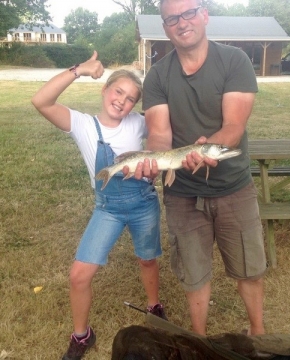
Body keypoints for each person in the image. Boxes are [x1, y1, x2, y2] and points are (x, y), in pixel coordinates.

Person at [129, 0, 267, 336]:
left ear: (204, 15)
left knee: (249, 269)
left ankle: (259, 332)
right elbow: (160, 135)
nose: (182, 22)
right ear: (165, 27)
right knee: (194, 272)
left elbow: (234, 126)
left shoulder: (234, 61)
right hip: (183, 194)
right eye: (172, 18)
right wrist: (154, 160)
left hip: (233, 187)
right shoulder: (158, 76)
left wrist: (206, 148)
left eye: (189, 13)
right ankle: (199, 339)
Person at [31, 51, 167, 360]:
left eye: (131, 98)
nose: (122, 101)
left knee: (147, 260)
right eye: (118, 91)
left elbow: (164, 134)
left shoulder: (139, 123)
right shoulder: (81, 124)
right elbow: (41, 101)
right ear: (105, 90)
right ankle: (82, 336)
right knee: (79, 274)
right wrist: (77, 70)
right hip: (107, 207)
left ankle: (154, 305)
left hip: (143, 202)